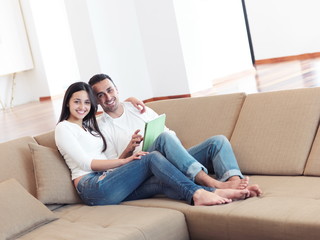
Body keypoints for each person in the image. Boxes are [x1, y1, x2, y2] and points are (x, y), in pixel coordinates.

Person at [55, 81, 251, 207]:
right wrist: (127, 159)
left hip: (111, 178)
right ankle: (203, 191)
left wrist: (129, 101)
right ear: (67, 103)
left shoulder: (89, 127)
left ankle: (227, 186)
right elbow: (86, 163)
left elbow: (108, 159)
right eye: (77, 102)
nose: (82, 107)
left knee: (166, 178)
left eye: (86, 103)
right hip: (92, 187)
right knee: (152, 157)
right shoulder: (64, 128)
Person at [88, 74, 262, 197]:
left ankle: (235, 182)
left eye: (110, 90)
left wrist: (175, 152)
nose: (108, 97)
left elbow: (169, 134)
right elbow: (111, 170)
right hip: (148, 169)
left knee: (218, 142)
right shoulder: (101, 128)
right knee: (163, 139)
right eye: (100, 95)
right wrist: (128, 150)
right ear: (96, 101)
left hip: (171, 158)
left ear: (117, 90)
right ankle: (211, 183)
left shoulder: (137, 108)